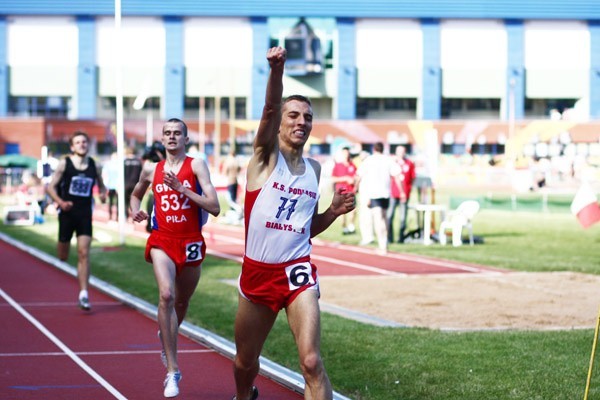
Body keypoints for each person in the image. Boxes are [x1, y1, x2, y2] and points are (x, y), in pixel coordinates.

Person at [232, 47, 355, 400]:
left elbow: (304, 228)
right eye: (294, 115)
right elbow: (270, 109)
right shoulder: (264, 157)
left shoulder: (315, 170)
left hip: (297, 270)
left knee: (312, 361)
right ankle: (244, 395)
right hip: (258, 272)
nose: (301, 122)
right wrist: (277, 71)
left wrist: (332, 212)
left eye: (308, 117)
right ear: (281, 122)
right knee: (245, 361)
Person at [129, 118, 220, 398]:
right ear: (162, 138)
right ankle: (172, 371)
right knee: (166, 295)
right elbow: (135, 195)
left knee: (181, 300)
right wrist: (136, 210)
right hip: (162, 240)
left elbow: (214, 206)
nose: (171, 137)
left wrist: (182, 189)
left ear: (185, 138)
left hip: (191, 240)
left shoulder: (196, 166)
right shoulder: (151, 168)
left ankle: (166, 333)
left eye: (177, 133)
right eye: (167, 133)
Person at [46, 131, 107, 311]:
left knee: (83, 253)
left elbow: (102, 185)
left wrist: (103, 194)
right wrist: (61, 202)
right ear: (72, 147)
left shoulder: (94, 165)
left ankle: (84, 294)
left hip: (84, 214)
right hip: (67, 213)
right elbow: (50, 187)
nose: (82, 145)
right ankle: (63, 254)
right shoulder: (65, 163)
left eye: (84, 142)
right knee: (63, 255)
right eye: (78, 142)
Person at [355, 142, 399, 255]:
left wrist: (355, 188)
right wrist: (401, 191)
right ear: (383, 149)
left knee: (378, 220)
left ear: (374, 149)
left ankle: (382, 245)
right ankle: (385, 243)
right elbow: (397, 175)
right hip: (386, 193)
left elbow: (359, 175)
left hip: (374, 193)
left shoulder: (368, 160)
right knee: (384, 219)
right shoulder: (388, 160)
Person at [386, 145, 416, 243]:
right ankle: (389, 237)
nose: (401, 153)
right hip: (394, 193)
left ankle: (401, 238)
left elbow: (413, 178)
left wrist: (408, 190)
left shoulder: (409, 163)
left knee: (403, 217)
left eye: (402, 151)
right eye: (399, 151)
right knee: (390, 215)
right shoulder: (392, 163)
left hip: (405, 194)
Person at [330, 146, 357, 235]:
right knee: (342, 212)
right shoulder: (338, 165)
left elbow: (356, 176)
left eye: (348, 153)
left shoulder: (352, 165)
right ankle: (344, 227)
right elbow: (333, 179)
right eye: (345, 153)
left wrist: (354, 181)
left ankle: (351, 226)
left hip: (351, 191)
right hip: (341, 192)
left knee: (353, 210)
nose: (346, 155)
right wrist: (345, 178)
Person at [124, 146, 143, 219]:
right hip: (135, 184)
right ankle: (134, 216)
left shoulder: (124, 161)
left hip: (125, 184)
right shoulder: (138, 161)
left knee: (125, 201)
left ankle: (126, 216)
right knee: (134, 201)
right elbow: (141, 174)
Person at [103, 152, 119, 221]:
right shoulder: (108, 164)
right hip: (110, 186)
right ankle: (110, 216)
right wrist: (106, 185)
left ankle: (117, 217)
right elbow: (104, 174)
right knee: (111, 202)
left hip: (118, 186)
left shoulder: (119, 164)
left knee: (118, 203)